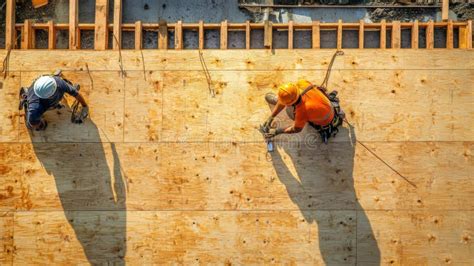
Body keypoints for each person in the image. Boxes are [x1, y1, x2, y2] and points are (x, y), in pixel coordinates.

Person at [261, 79, 344, 143]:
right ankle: (284, 99)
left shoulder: (302, 112)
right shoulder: (302, 83)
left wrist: (277, 131)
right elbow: (292, 97)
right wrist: (271, 117)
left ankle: (284, 101)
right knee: (289, 102)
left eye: (282, 101)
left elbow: (296, 129)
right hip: (325, 106)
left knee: (289, 112)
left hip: (324, 120)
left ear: (290, 103)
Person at [20, 72, 89, 131]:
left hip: (46, 82)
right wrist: (39, 123)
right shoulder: (35, 107)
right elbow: (33, 123)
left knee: (67, 87)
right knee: (35, 127)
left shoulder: (58, 82)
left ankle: (55, 101)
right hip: (39, 103)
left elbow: (76, 94)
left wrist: (84, 105)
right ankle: (26, 100)